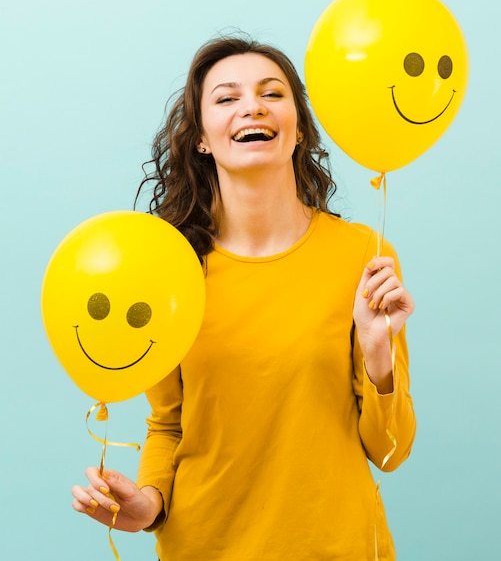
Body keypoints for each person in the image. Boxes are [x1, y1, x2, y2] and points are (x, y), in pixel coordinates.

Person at [72, 34, 416, 560]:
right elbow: (169, 423)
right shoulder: (170, 271)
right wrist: (147, 505)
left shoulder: (361, 257)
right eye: (227, 98)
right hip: (203, 546)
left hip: (338, 546)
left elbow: (390, 453)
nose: (251, 106)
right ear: (202, 139)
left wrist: (377, 357)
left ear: (298, 128)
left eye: (272, 93)